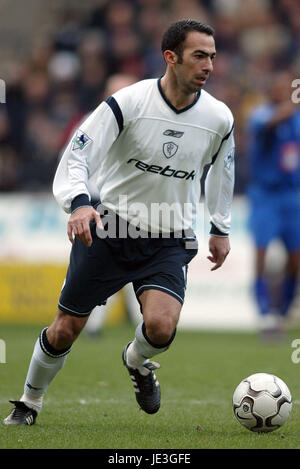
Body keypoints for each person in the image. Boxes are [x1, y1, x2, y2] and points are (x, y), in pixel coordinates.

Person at [3, 19, 235, 426]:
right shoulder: (127, 102)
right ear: (171, 57)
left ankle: (136, 360)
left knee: (161, 327)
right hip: (112, 229)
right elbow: (78, 153)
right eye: (199, 55)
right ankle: (29, 402)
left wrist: (219, 226)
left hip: (169, 235)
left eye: (212, 57)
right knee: (64, 330)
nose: (209, 66)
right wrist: (78, 203)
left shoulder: (218, 118)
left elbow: (222, 172)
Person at [246, 71, 300, 336]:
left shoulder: (297, 119)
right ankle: (265, 314)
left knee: (295, 260)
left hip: (293, 196)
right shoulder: (260, 114)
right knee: (261, 254)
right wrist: (291, 105)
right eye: (280, 85)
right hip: (265, 196)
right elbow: (266, 126)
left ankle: (283, 311)